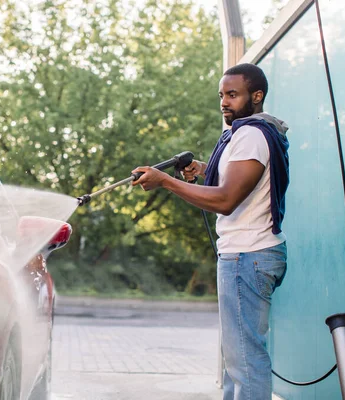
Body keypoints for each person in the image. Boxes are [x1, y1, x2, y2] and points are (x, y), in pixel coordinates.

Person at [132, 63, 289, 400]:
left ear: (256, 96)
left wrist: (166, 181)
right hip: (253, 255)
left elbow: (226, 198)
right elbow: (238, 181)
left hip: (247, 256)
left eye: (233, 94)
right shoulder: (255, 133)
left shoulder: (249, 135)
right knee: (238, 360)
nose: (224, 102)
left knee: (245, 361)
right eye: (221, 95)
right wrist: (205, 170)